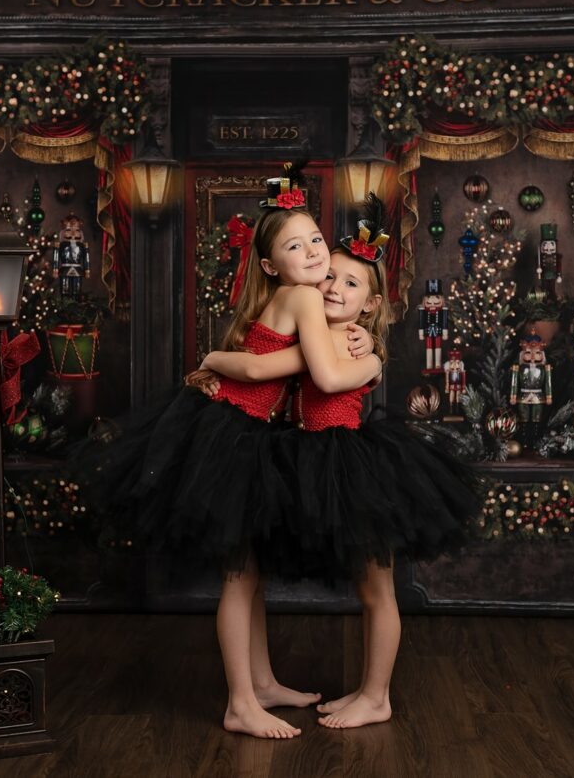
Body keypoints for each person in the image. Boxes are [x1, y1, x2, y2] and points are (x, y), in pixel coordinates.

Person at [74, 163, 382, 739]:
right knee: (240, 577)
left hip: (241, 428)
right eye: (296, 245)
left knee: (252, 572)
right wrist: (357, 353)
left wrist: (224, 359)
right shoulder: (304, 299)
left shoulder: (300, 297)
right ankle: (241, 702)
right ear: (270, 265)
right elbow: (301, 370)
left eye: (316, 237)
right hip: (236, 434)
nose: (315, 251)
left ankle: (261, 684)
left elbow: (269, 365)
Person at [197, 195, 480, 729]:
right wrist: (217, 364)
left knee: (376, 586)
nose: (333, 288)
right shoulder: (315, 326)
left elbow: (316, 377)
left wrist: (367, 361)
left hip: (352, 466)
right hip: (293, 455)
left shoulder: (359, 350)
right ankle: (258, 688)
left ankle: (376, 696)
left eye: (352, 284)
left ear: (370, 306)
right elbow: (267, 366)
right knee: (250, 573)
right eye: (333, 277)